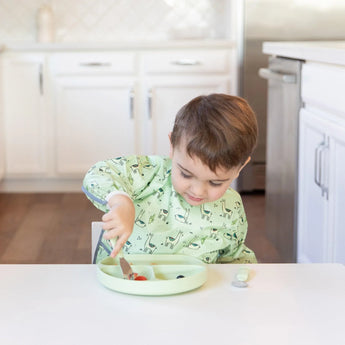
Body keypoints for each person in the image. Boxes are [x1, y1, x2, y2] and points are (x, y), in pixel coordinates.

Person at [82, 93, 258, 264]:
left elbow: (234, 257)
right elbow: (99, 173)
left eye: (215, 182)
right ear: (172, 146)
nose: (197, 190)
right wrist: (121, 202)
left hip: (194, 291)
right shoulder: (149, 173)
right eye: (186, 174)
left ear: (240, 168)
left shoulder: (231, 208)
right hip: (124, 284)